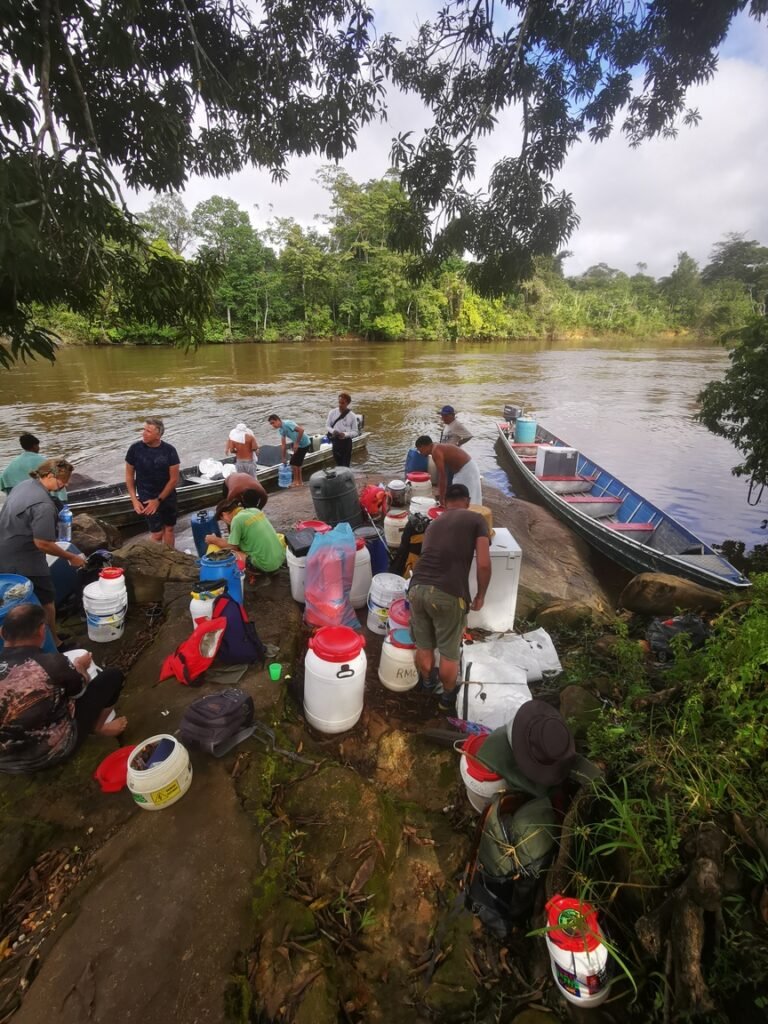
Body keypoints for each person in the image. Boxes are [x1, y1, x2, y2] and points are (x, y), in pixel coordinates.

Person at [0, 603, 127, 774]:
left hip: (5, 764)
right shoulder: (52, 663)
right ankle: (99, 727)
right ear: (42, 631)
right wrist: (80, 667)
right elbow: (80, 689)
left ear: (2, 632)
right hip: (52, 752)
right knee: (112, 676)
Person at [407, 483, 491, 713]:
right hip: (447, 593)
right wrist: (480, 596)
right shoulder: (476, 520)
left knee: (424, 645)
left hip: (416, 589)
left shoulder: (434, 523)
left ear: (444, 503)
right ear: (467, 500)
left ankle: (426, 683)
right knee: (449, 652)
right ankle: (446, 699)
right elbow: (483, 563)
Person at [0, 458, 86, 645]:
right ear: (48, 475)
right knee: (47, 598)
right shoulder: (43, 505)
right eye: (62, 480)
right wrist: (71, 557)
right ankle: (54, 642)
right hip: (23, 556)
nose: (65, 484)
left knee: (18, 600)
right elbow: (43, 543)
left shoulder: (24, 485)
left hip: (4, 547)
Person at [125, 418, 180, 546]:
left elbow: (174, 480)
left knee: (169, 529)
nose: (143, 433)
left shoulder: (169, 450)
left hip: (167, 496)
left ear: (158, 435)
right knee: (157, 534)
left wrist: (158, 500)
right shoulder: (135, 449)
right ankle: (147, 555)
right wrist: (134, 500)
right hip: (146, 497)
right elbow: (129, 476)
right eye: (143, 429)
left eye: (148, 431)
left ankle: (170, 557)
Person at [206, 498, 285, 574]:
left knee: (231, 553)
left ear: (224, 515)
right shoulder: (254, 510)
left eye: (223, 520)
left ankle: (256, 569)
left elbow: (232, 547)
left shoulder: (236, 520)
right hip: (281, 558)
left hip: (267, 565)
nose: (226, 523)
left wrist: (213, 540)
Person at [415, 436, 483, 507]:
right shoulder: (436, 447)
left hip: (467, 469)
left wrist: (441, 497)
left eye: (420, 450)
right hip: (464, 469)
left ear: (423, 446)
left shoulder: (435, 451)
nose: (420, 453)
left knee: (465, 495)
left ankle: (467, 515)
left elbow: (442, 476)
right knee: (461, 494)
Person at [0, 434, 68, 501]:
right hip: (38, 497)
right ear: (34, 446)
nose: (39, 448)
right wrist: (63, 498)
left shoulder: (14, 462)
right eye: (38, 445)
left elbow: (4, 476)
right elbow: (56, 479)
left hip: (20, 496)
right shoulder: (43, 461)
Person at [267, 414, 311, 487]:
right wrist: (283, 457)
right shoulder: (281, 430)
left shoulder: (287, 424)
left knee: (293, 463)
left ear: (278, 420)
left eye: (273, 422)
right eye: (271, 424)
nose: (273, 425)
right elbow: (283, 445)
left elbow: (301, 430)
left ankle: (296, 482)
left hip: (304, 443)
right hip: (299, 445)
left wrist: (296, 443)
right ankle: (299, 482)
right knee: (297, 463)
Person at [325, 392, 358, 467]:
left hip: (346, 442)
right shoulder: (332, 412)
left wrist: (345, 434)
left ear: (347, 403)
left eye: (342, 403)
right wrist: (333, 431)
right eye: (339, 402)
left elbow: (355, 432)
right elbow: (327, 426)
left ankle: (346, 477)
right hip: (335, 441)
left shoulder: (352, 416)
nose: (340, 405)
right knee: (338, 463)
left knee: (346, 464)